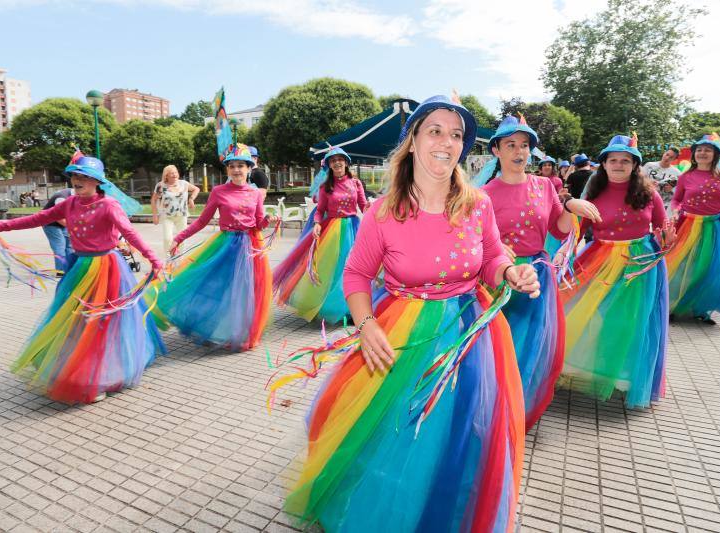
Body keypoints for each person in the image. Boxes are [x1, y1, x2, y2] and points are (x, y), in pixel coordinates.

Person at [282, 96, 539, 532]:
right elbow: (357, 275)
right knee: (389, 429)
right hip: (400, 328)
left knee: (458, 434)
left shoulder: (478, 203)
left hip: (468, 334)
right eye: (435, 130)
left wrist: (510, 270)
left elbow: (493, 253)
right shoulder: (383, 211)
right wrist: (365, 326)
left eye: (456, 135)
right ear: (414, 140)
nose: (446, 142)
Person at [0, 152, 164, 404]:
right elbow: (35, 219)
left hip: (108, 268)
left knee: (103, 323)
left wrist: (154, 259)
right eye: (74, 175)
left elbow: (129, 231)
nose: (77, 180)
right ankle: (84, 372)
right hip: (79, 267)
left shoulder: (109, 205)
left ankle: (104, 376)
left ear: (97, 181)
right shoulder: (67, 204)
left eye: (84, 176)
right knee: (78, 322)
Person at [481, 115, 600, 430]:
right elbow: (477, 241)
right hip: (501, 280)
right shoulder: (485, 194)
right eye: (511, 145)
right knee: (501, 347)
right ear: (497, 151)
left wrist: (570, 209)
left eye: (524, 145)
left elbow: (558, 231)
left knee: (532, 347)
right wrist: (495, 252)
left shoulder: (544, 185)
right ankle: (494, 411)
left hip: (538, 277)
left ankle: (517, 411)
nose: (519, 151)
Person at [560, 134, 672, 408]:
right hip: (599, 259)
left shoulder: (649, 194)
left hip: (639, 263)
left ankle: (626, 377)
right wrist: (565, 255)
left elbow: (663, 226)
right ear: (604, 164)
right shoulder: (593, 193)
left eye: (625, 160)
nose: (619, 165)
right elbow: (578, 230)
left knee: (633, 321)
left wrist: (669, 237)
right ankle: (590, 367)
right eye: (613, 160)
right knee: (594, 314)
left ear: (635, 165)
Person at [150, 144, 277, 350]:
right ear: (227, 170)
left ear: (249, 168)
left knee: (246, 291)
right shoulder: (219, 191)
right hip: (226, 245)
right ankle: (213, 328)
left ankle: (238, 331)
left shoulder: (255, 194)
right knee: (219, 288)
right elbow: (201, 221)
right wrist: (179, 238)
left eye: (241, 166)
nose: (236, 170)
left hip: (250, 246)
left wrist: (268, 221)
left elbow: (258, 223)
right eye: (232, 166)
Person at [273, 147, 368, 324]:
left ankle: (354, 309)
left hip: (353, 228)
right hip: (332, 231)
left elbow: (363, 206)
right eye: (333, 160)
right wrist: (317, 223)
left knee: (354, 269)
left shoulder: (356, 183)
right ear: (329, 165)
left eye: (340, 159)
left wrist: (374, 215)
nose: (337, 163)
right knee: (333, 270)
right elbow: (320, 210)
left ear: (346, 162)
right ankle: (332, 307)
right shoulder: (326, 187)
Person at [665, 133, 720, 325]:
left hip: (716, 227)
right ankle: (673, 306)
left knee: (710, 269)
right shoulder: (686, 176)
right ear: (693, 154)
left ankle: (702, 309)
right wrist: (674, 210)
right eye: (699, 150)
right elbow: (676, 199)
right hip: (688, 226)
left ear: (715, 154)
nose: (702, 153)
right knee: (682, 267)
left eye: (707, 150)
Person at [150, 165, 200, 256]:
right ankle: (169, 259)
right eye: (172, 173)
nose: (175, 174)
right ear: (166, 175)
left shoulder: (183, 183)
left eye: (176, 172)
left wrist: (191, 199)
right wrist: (155, 215)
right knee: (167, 238)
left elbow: (196, 189)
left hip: (182, 215)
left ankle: (179, 258)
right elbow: (153, 200)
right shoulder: (160, 186)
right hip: (166, 216)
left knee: (182, 238)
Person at [41, 188, 74, 273]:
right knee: (60, 246)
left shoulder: (75, 196)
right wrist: (73, 228)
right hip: (50, 223)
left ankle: (70, 268)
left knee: (69, 246)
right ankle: (60, 271)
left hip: (63, 223)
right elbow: (58, 218)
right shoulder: (61, 198)